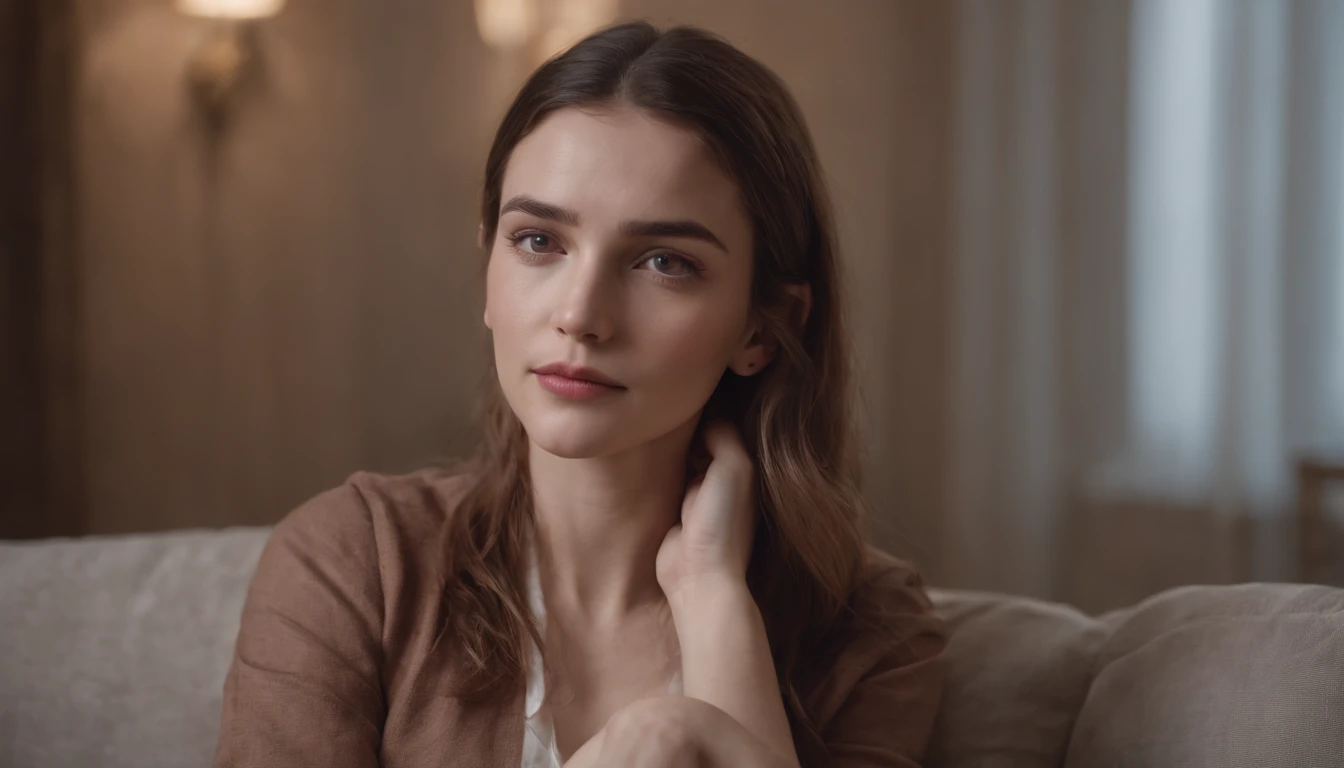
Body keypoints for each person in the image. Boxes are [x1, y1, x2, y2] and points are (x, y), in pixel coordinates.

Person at [212, 20, 945, 768]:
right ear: (489, 273)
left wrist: (713, 600)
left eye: (664, 261)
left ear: (763, 328)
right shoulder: (353, 561)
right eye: (538, 242)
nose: (580, 314)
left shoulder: (873, 634)